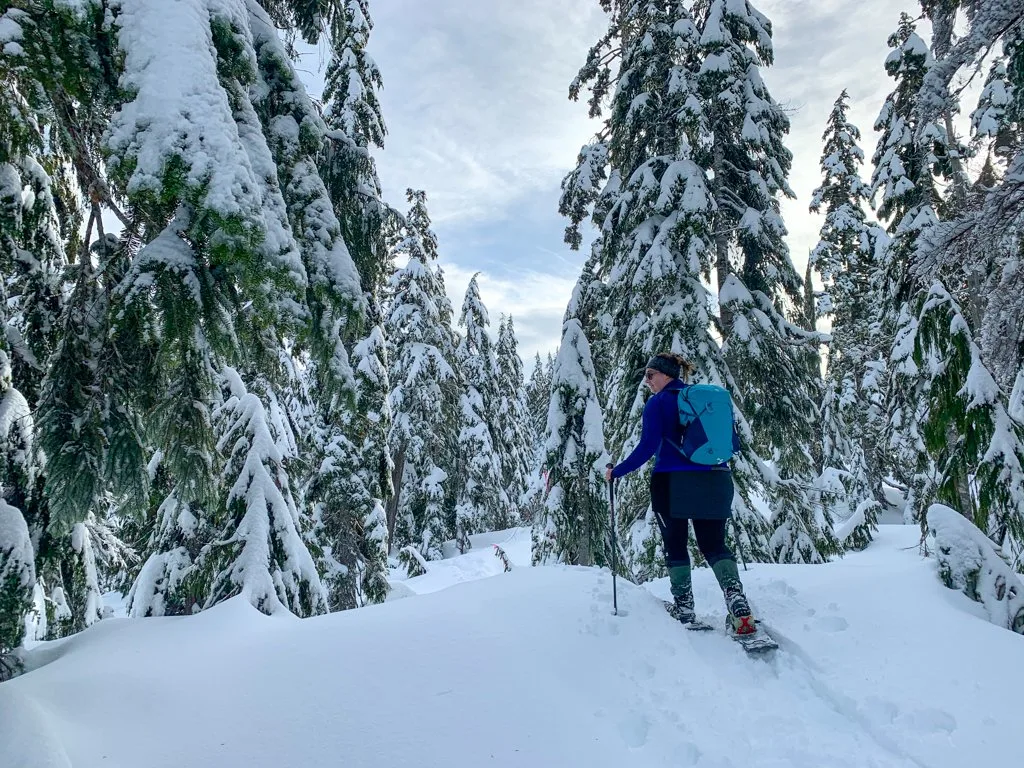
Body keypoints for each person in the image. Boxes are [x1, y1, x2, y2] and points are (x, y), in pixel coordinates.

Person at [604, 352, 757, 635]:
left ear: (666, 375)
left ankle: (685, 608)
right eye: (645, 376)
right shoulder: (707, 404)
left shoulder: (658, 403)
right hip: (717, 479)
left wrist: (618, 471)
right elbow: (733, 443)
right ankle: (737, 602)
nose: (646, 381)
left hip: (672, 482)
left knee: (675, 545)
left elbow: (648, 447)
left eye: (651, 375)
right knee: (714, 545)